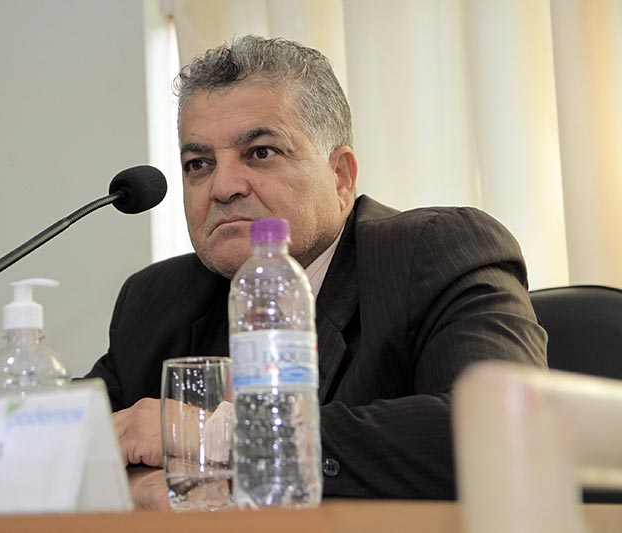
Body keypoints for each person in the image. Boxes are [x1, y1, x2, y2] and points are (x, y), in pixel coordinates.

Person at [85, 35, 547, 509]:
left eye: (260, 152)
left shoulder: (432, 253)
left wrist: (214, 436)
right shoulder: (156, 299)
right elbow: (57, 446)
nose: (222, 187)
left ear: (341, 176)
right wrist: (131, 487)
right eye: (198, 164)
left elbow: (505, 431)